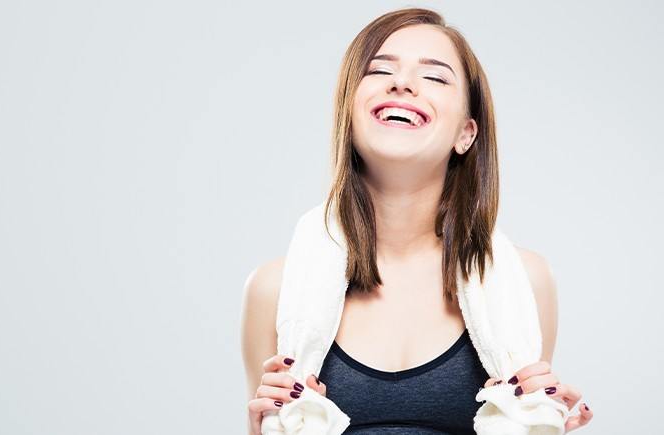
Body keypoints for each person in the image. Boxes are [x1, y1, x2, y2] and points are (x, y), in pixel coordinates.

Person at [240, 7, 593, 434]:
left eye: (435, 77)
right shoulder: (273, 289)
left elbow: (527, 419)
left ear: (466, 133)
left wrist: (543, 425)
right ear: (349, 113)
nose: (402, 83)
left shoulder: (527, 280)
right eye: (379, 70)